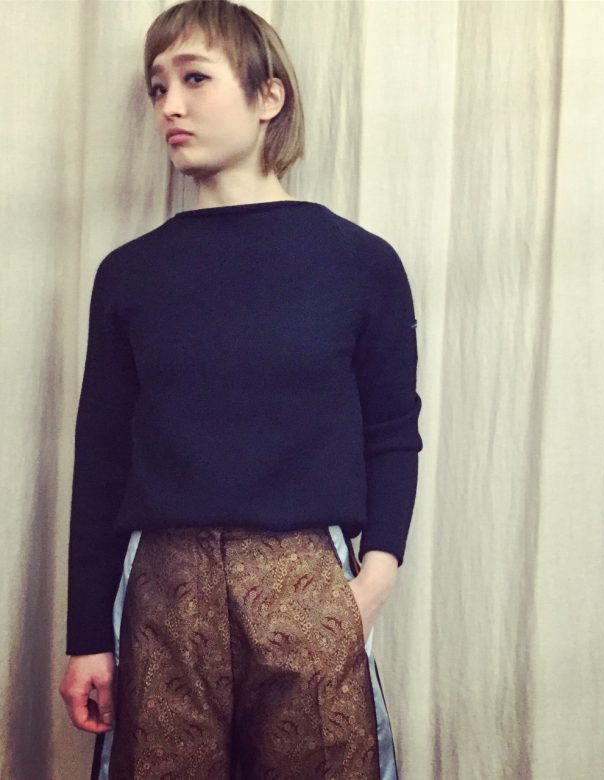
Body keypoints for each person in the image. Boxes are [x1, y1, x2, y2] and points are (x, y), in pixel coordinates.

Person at [57, 1, 423, 778]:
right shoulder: (129, 275)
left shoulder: (359, 264)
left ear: (268, 96)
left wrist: (373, 582)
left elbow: (392, 431)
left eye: (194, 78)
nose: (170, 105)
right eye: (158, 87)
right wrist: (87, 634)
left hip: (307, 589)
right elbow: (102, 459)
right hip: (162, 596)